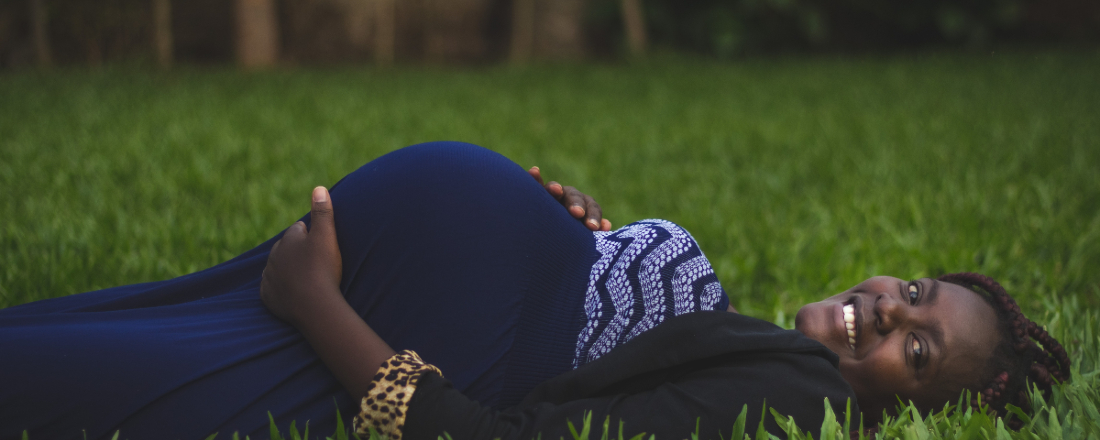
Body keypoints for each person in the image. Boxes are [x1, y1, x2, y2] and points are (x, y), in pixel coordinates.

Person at [1, 142, 1069, 440]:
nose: (889, 309)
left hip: (332, 316)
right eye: (914, 291)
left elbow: (507, 434)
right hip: (365, 279)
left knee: (50, 374)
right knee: (73, 335)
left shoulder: (795, 402)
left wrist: (314, 298)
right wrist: (593, 242)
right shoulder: (780, 356)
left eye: (917, 352)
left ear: (915, 413)